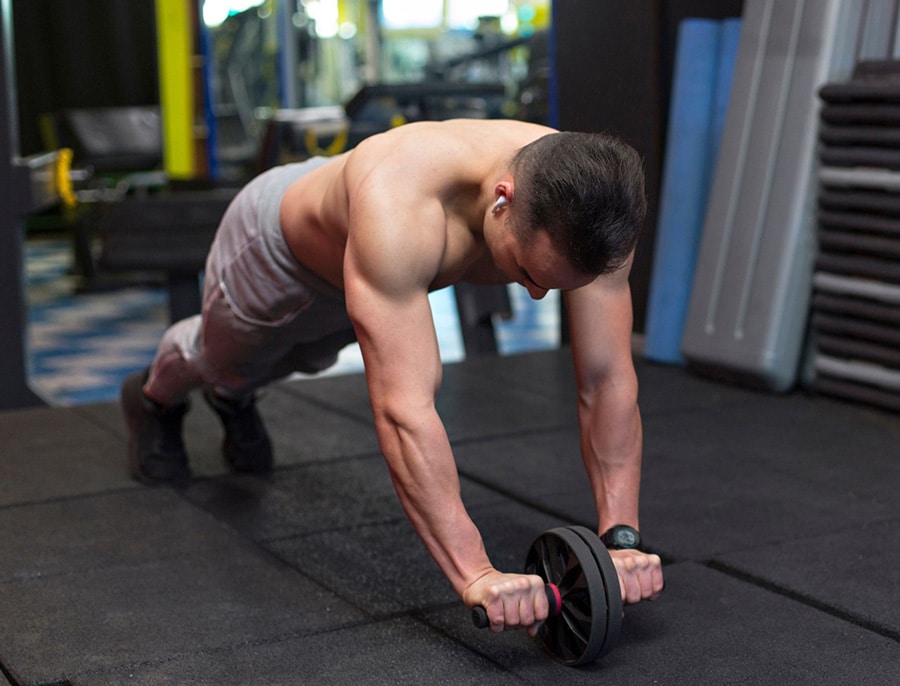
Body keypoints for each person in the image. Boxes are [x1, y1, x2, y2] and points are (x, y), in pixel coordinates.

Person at [121, 118, 664, 635]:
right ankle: (154, 398)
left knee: (299, 360)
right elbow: (406, 410)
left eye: (555, 286)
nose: (538, 294)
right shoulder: (402, 201)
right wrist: (475, 572)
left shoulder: (595, 212)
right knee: (219, 358)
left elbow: (608, 380)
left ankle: (235, 397)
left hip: (369, 273)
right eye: (527, 273)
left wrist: (621, 538)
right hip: (277, 254)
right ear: (504, 201)